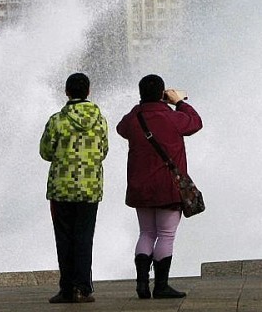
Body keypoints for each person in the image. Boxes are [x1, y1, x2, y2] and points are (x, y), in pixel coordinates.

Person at [117, 74, 202, 300]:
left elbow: (121, 128)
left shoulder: (134, 118)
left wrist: (143, 104)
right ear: (163, 94)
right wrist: (179, 102)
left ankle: (142, 285)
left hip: (141, 187)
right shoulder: (172, 116)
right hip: (168, 186)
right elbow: (196, 122)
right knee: (165, 234)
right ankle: (161, 286)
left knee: (146, 232)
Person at [40, 72, 109, 304]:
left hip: (61, 189)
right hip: (89, 189)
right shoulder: (99, 120)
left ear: (67, 92)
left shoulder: (57, 120)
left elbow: (45, 152)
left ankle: (66, 289)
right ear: (88, 91)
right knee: (84, 238)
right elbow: (104, 151)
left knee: (64, 239)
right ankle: (82, 288)